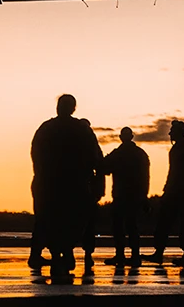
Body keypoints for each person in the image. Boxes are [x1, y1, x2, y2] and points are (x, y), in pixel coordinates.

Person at [30, 94, 104, 279]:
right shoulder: (81, 129)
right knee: (72, 220)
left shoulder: (46, 128)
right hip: (74, 183)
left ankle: (57, 252)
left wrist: (42, 176)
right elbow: (94, 155)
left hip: (50, 184)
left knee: (51, 219)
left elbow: (35, 154)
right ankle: (65, 250)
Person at [99, 127, 152, 266]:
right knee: (131, 226)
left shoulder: (118, 154)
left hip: (121, 195)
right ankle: (134, 256)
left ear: (121, 137)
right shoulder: (140, 154)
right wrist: (144, 196)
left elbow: (104, 168)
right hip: (135, 195)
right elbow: (146, 177)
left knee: (119, 227)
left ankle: (121, 255)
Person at [150, 119, 184, 265]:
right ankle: (183, 254)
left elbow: (175, 173)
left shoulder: (181, 149)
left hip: (179, 191)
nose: (170, 134)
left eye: (172, 132)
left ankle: (163, 253)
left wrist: (168, 190)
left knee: (166, 222)